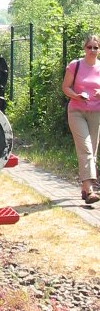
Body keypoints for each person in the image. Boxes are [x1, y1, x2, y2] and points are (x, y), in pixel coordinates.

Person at [61, 33, 100, 204]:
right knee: (86, 149)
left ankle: (85, 188)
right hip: (77, 111)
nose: (92, 50)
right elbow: (65, 87)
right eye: (89, 47)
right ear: (84, 48)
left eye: (95, 47)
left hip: (96, 113)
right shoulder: (75, 65)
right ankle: (91, 190)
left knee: (92, 150)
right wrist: (77, 96)